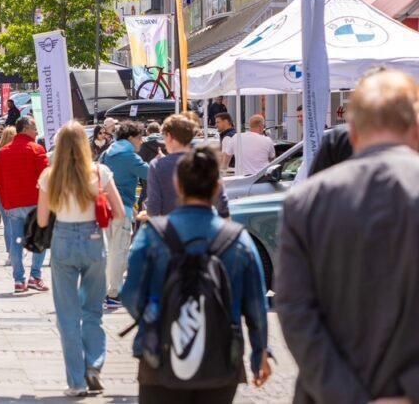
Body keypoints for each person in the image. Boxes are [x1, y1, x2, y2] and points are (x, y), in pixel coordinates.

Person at [277, 69, 419, 404]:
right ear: (415, 127)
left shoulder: (306, 202)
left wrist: (346, 397)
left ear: (352, 132)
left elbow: (295, 310)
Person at [121, 146, 272, 403]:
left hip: (160, 355)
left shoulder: (153, 235)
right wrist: (260, 353)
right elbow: (256, 306)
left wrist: (161, 317)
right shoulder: (238, 240)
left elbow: (131, 295)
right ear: (218, 187)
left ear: (178, 186)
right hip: (221, 356)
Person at [37, 121, 123, 397]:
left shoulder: (50, 176)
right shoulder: (100, 172)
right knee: (93, 311)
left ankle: (76, 380)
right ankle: (94, 366)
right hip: (94, 240)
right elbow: (119, 212)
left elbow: (41, 219)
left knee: (67, 314)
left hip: (63, 239)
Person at [0, 116, 49, 291]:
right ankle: (35, 275)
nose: (37, 132)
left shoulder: (2, 152)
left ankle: (19, 279)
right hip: (35, 202)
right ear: (26, 128)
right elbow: (46, 178)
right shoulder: (37, 149)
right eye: (34, 128)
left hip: (13, 204)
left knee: (16, 242)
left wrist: (5, 202)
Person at [100, 120, 149, 305]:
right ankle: (114, 293)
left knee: (108, 251)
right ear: (130, 138)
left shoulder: (107, 153)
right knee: (119, 251)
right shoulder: (129, 156)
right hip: (122, 208)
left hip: (104, 208)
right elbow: (151, 173)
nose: (141, 141)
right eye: (139, 137)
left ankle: (105, 289)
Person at [145, 114, 229, 218]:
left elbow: (153, 208)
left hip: (171, 228)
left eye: (164, 137)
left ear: (170, 136)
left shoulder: (158, 165)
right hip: (205, 226)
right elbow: (222, 202)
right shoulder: (205, 160)